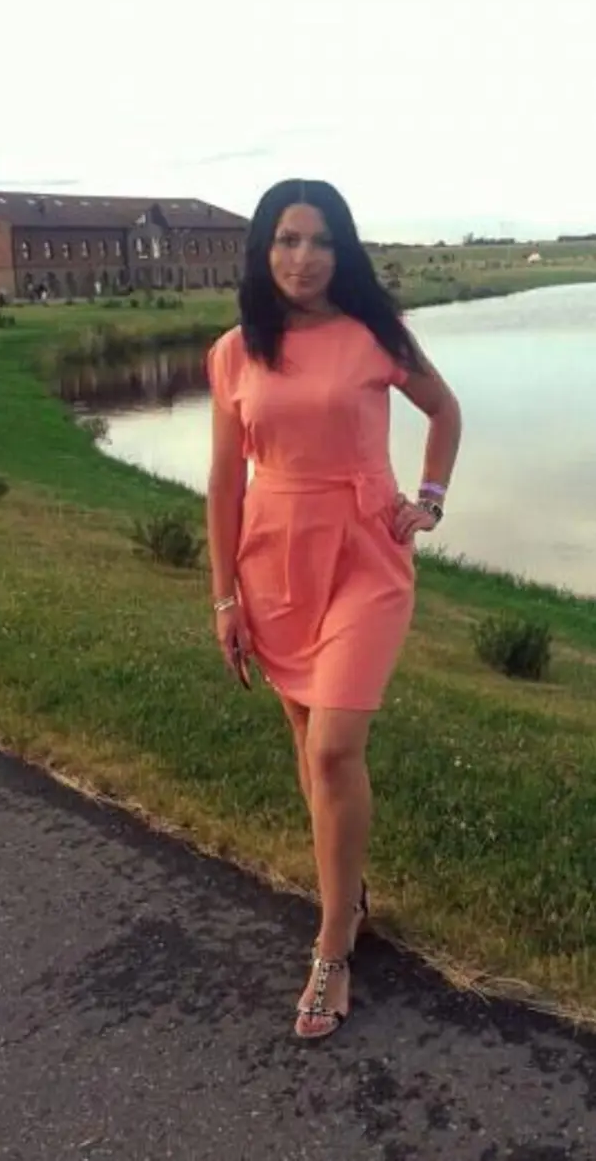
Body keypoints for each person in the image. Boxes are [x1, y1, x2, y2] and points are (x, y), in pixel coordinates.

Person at [206, 178, 462, 1041]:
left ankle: (332, 948)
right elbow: (223, 481)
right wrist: (223, 595)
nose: (303, 257)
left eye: (320, 241)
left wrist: (430, 499)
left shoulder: (374, 334)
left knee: (334, 744)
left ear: (342, 251)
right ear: (263, 250)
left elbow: (443, 411)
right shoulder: (234, 352)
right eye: (287, 239)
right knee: (307, 745)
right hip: (273, 560)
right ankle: (345, 892)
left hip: (365, 553)